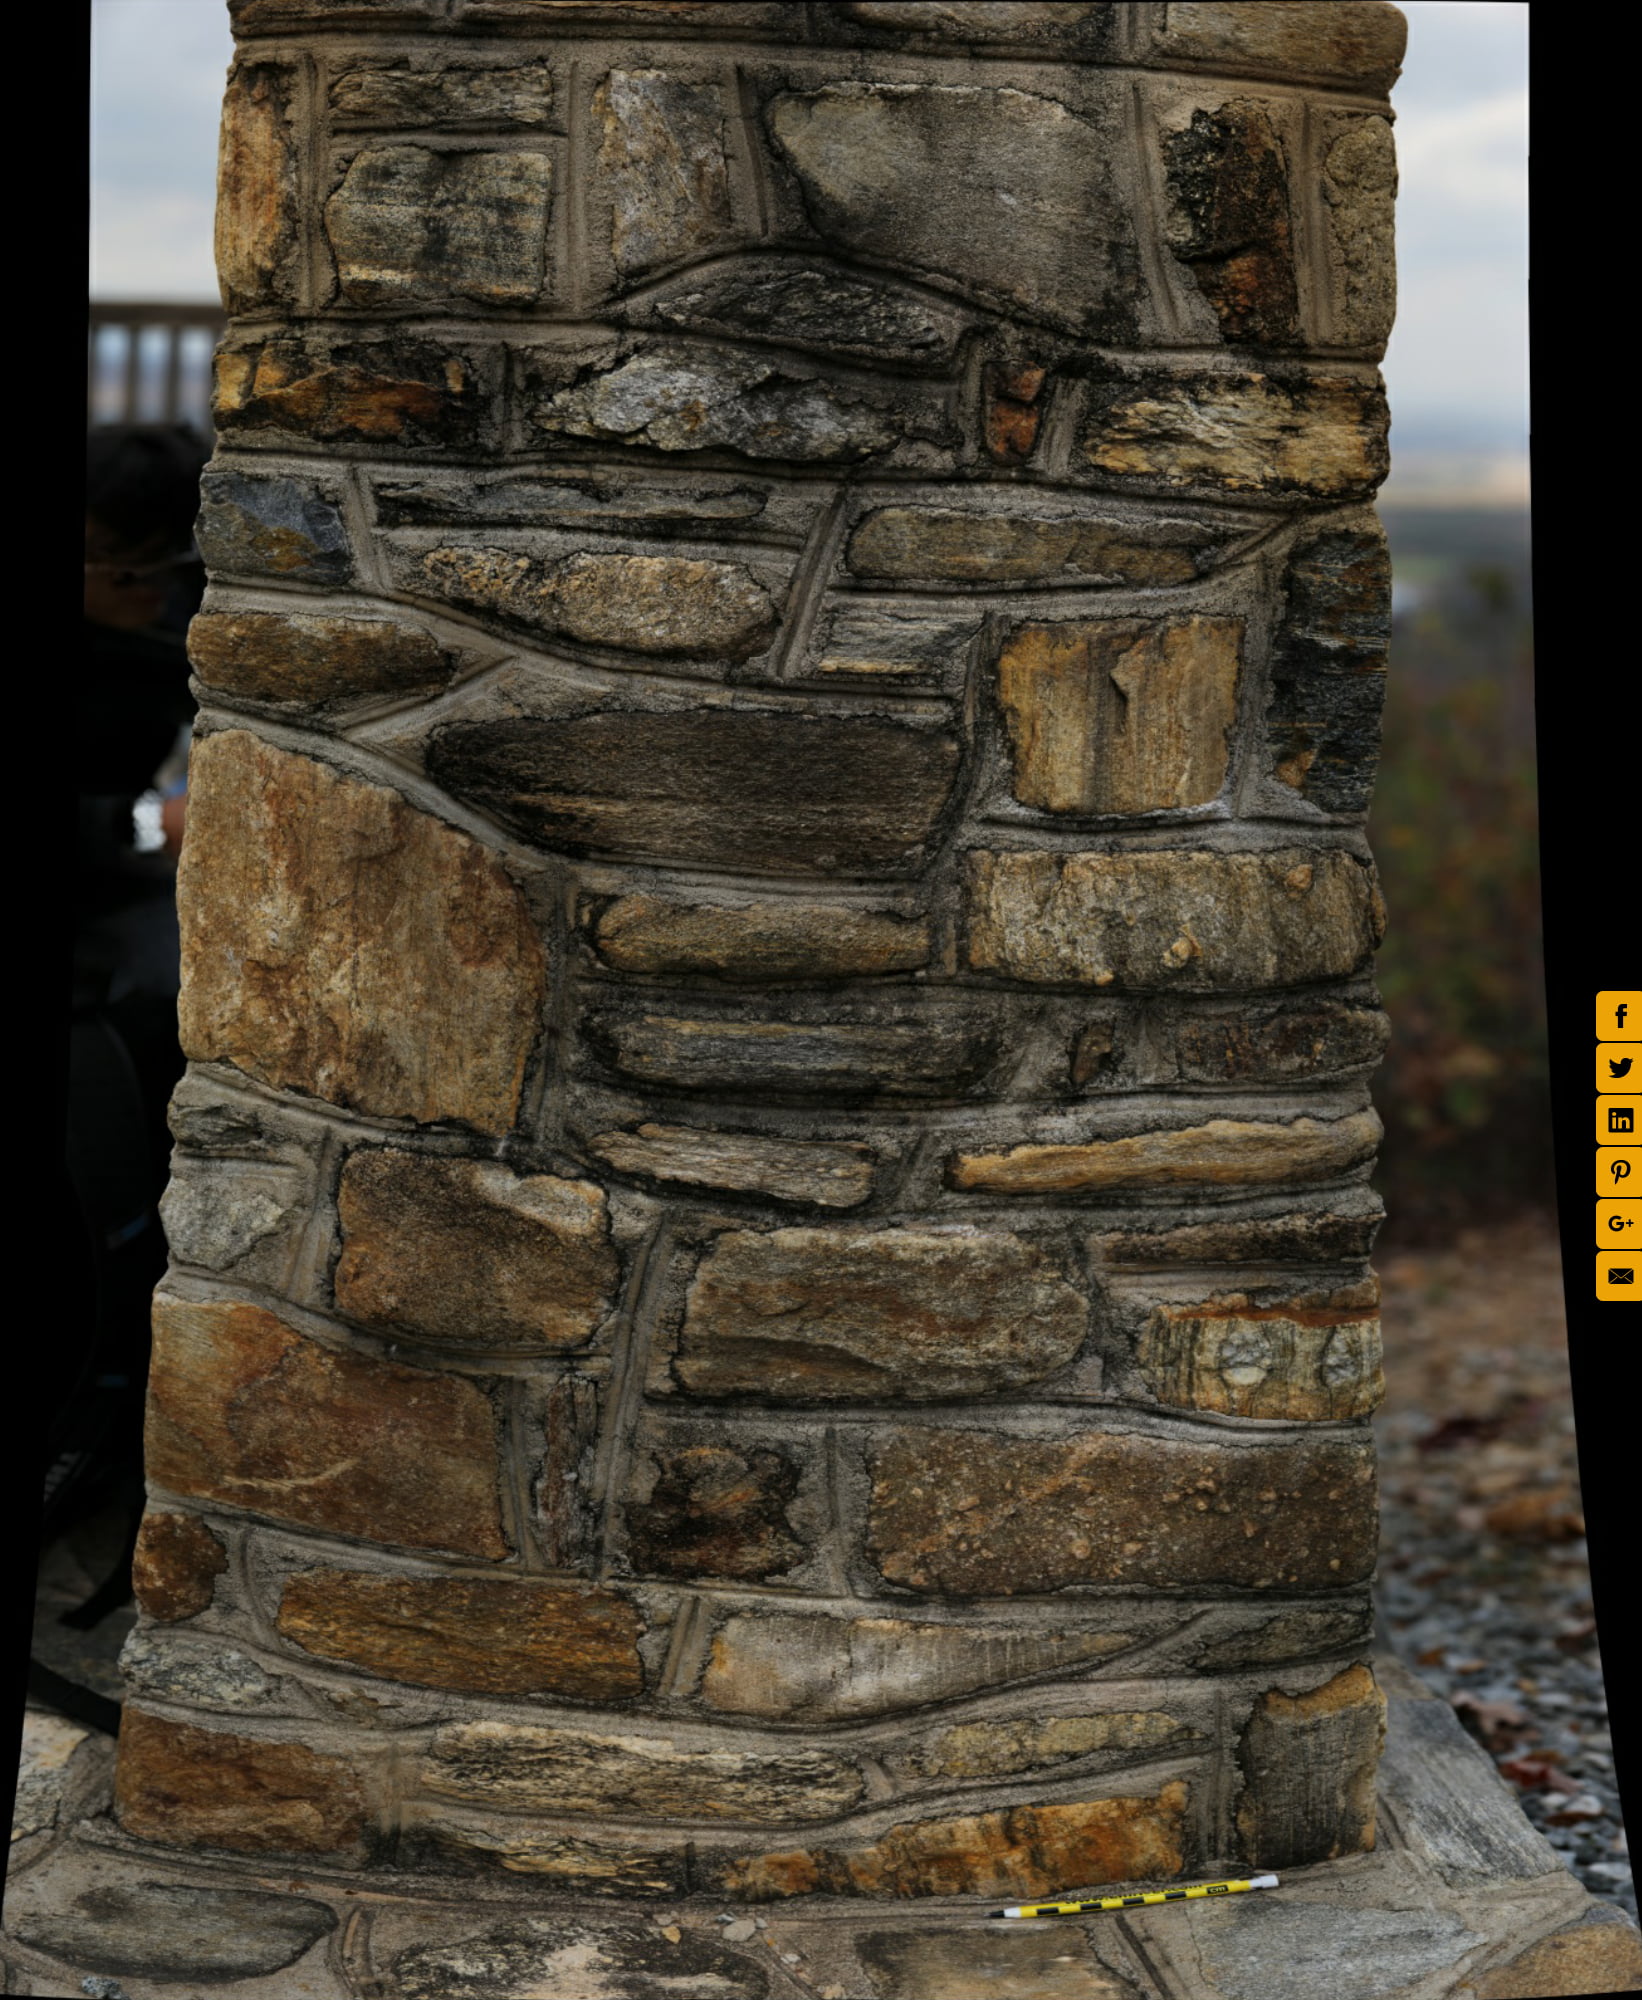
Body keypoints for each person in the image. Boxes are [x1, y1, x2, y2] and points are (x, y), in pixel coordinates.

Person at [48, 426, 208, 1714]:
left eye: (168, 572)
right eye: (123, 573)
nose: (151, 596)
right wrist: (149, 824)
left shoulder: (158, 617)